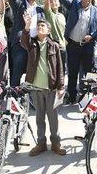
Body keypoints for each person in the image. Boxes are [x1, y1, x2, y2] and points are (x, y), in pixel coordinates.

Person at [21, 16, 66, 156]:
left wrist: (61, 86)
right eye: (38, 26)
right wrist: (27, 27)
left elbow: (60, 67)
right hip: (36, 87)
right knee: (39, 116)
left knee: (53, 117)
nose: (40, 27)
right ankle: (41, 143)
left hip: (51, 87)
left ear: (48, 30)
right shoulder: (32, 44)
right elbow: (24, 41)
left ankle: (55, 143)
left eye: (43, 26)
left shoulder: (54, 46)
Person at [62, 0, 97, 103]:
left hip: (87, 47)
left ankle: (84, 97)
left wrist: (92, 35)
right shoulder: (74, 6)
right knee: (72, 72)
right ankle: (71, 96)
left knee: (87, 73)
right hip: (73, 45)